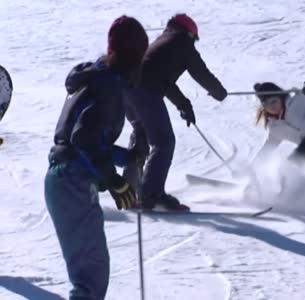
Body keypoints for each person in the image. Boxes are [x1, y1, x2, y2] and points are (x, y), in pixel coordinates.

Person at [44, 16, 149, 300]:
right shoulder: (107, 87)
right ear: (133, 57)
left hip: (68, 180)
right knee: (90, 279)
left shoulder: (98, 80)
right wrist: (112, 179)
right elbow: (83, 140)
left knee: (93, 273)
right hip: (71, 183)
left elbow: (92, 142)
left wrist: (127, 157)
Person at [124, 13, 228, 211]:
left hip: (129, 90)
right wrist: (218, 92)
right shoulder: (181, 42)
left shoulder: (163, 42)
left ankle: (129, 191)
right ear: (190, 34)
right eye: (194, 40)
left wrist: (183, 104)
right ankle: (151, 194)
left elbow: (163, 80)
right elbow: (199, 71)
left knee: (141, 134)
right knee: (163, 141)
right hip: (146, 91)